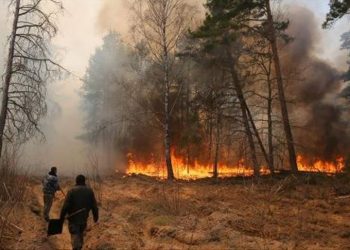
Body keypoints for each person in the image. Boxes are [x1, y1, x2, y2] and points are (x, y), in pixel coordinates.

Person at [60, 175, 99, 250]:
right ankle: (79, 247)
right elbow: (94, 206)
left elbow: (65, 206)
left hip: (73, 219)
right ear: (84, 181)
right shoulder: (90, 191)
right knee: (80, 235)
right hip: (84, 219)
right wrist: (95, 217)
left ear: (76, 181)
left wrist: (61, 218)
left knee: (75, 236)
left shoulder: (71, 191)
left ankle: (76, 248)